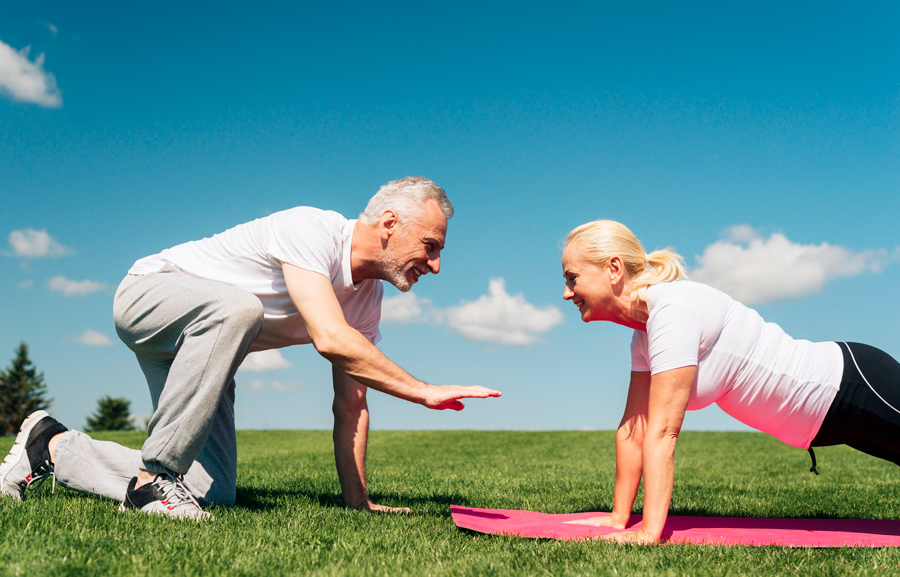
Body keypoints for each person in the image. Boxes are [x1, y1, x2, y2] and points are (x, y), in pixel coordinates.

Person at [0, 176, 501, 520]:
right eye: (431, 246)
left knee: (212, 492)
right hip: (149, 296)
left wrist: (358, 502)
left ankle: (53, 446)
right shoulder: (313, 230)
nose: (434, 264)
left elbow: (351, 406)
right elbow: (330, 339)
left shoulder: (365, 301)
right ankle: (154, 479)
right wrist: (421, 391)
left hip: (203, 353)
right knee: (241, 309)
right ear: (390, 223)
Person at [559, 219, 900, 544]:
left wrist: (649, 532)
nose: (566, 293)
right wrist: (619, 516)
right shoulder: (644, 339)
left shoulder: (673, 311)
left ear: (614, 268)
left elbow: (663, 431)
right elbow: (635, 427)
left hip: (849, 385)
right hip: (829, 420)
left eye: (572, 278)